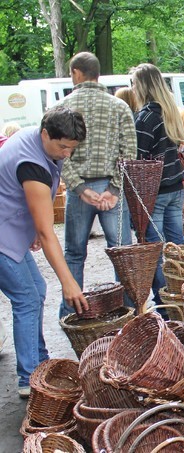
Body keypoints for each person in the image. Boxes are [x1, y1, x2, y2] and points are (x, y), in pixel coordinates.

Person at [0, 107, 89, 397]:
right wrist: (69, 282)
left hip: (10, 229)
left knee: (36, 289)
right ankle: (28, 378)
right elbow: (49, 233)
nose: (66, 154)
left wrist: (31, 229)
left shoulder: (36, 139)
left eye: (71, 148)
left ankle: (38, 361)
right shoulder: (33, 165)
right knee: (26, 297)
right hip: (3, 236)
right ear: (45, 134)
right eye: (62, 146)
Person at [57, 52, 136, 319]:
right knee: (122, 254)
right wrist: (113, 190)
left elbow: (58, 157)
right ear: (97, 74)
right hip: (111, 190)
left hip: (80, 191)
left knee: (74, 254)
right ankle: (128, 312)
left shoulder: (62, 108)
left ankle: (70, 314)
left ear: (77, 73)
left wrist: (79, 188)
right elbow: (130, 153)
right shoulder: (119, 107)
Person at [130, 63, 184, 308]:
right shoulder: (170, 112)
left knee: (157, 252)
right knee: (177, 247)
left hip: (156, 193)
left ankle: (166, 303)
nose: (131, 88)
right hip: (175, 187)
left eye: (133, 83)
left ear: (142, 86)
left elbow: (139, 158)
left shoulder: (146, 117)